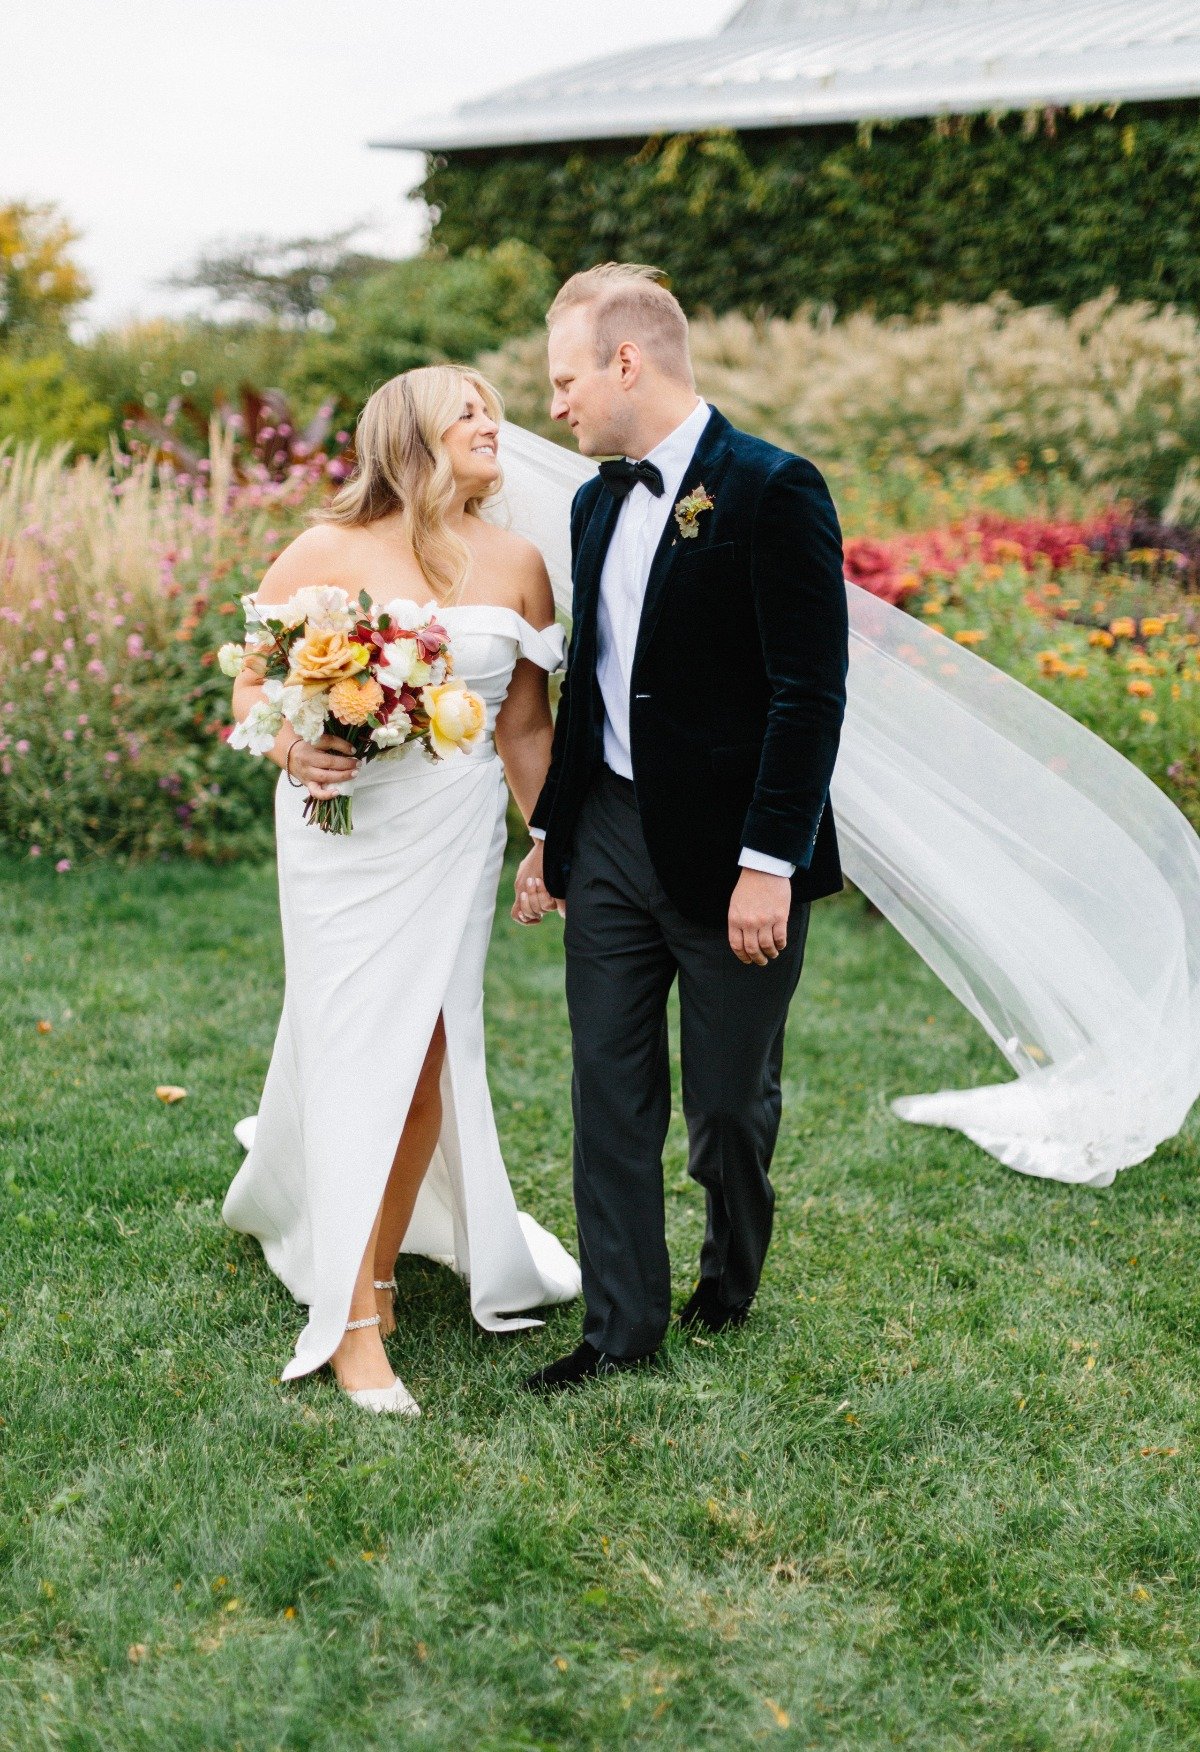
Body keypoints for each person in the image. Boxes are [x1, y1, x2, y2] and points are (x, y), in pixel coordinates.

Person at [512, 264, 849, 1390]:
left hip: (736, 852)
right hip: (606, 831)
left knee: (724, 1108)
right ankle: (619, 1329)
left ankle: (731, 1274)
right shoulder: (594, 499)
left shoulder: (774, 487)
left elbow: (810, 693)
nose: (553, 405)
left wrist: (771, 867)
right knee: (607, 1089)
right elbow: (596, 691)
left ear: (626, 361)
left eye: (564, 379)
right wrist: (551, 831)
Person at [223, 365, 581, 1416]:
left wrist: (549, 839)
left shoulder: (519, 563)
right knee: (347, 1043)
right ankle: (352, 1323)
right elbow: (252, 679)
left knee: (425, 1052)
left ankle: (369, 1285)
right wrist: (293, 748)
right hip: (341, 834)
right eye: (463, 412)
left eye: (491, 411)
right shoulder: (323, 551)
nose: (490, 424)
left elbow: (521, 727)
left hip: (453, 833)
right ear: (407, 438)